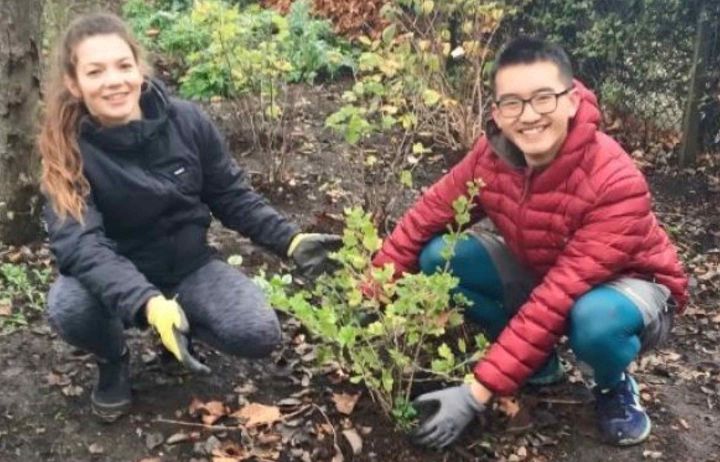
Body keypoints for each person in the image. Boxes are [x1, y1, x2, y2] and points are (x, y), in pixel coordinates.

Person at [369, 37, 688, 448]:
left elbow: (560, 294)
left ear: (572, 100)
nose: (529, 116)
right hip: (548, 266)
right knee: (440, 258)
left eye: (543, 98)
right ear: (498, 114)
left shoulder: (614, 181)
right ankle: (538, 360)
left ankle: (612, 384)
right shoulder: (491, 155)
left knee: (594, 322)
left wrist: (476, 393)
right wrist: (371, 293)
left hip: (628, 287)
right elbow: (427, 215)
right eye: (513, 104)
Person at [38, 12, 340, 422]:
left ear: (138, 69)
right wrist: (146, 302)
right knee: (69, 304)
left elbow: (231, 196)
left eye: (123, 66)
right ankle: (114, 358)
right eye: (96, 71)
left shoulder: (187, 121)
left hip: (187, 265)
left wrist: (290, 240)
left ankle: (179, 327)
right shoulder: (67, 151)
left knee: (257, 332)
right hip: (116, 273)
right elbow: (82, 246)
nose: (114, 80)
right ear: (75, 84)